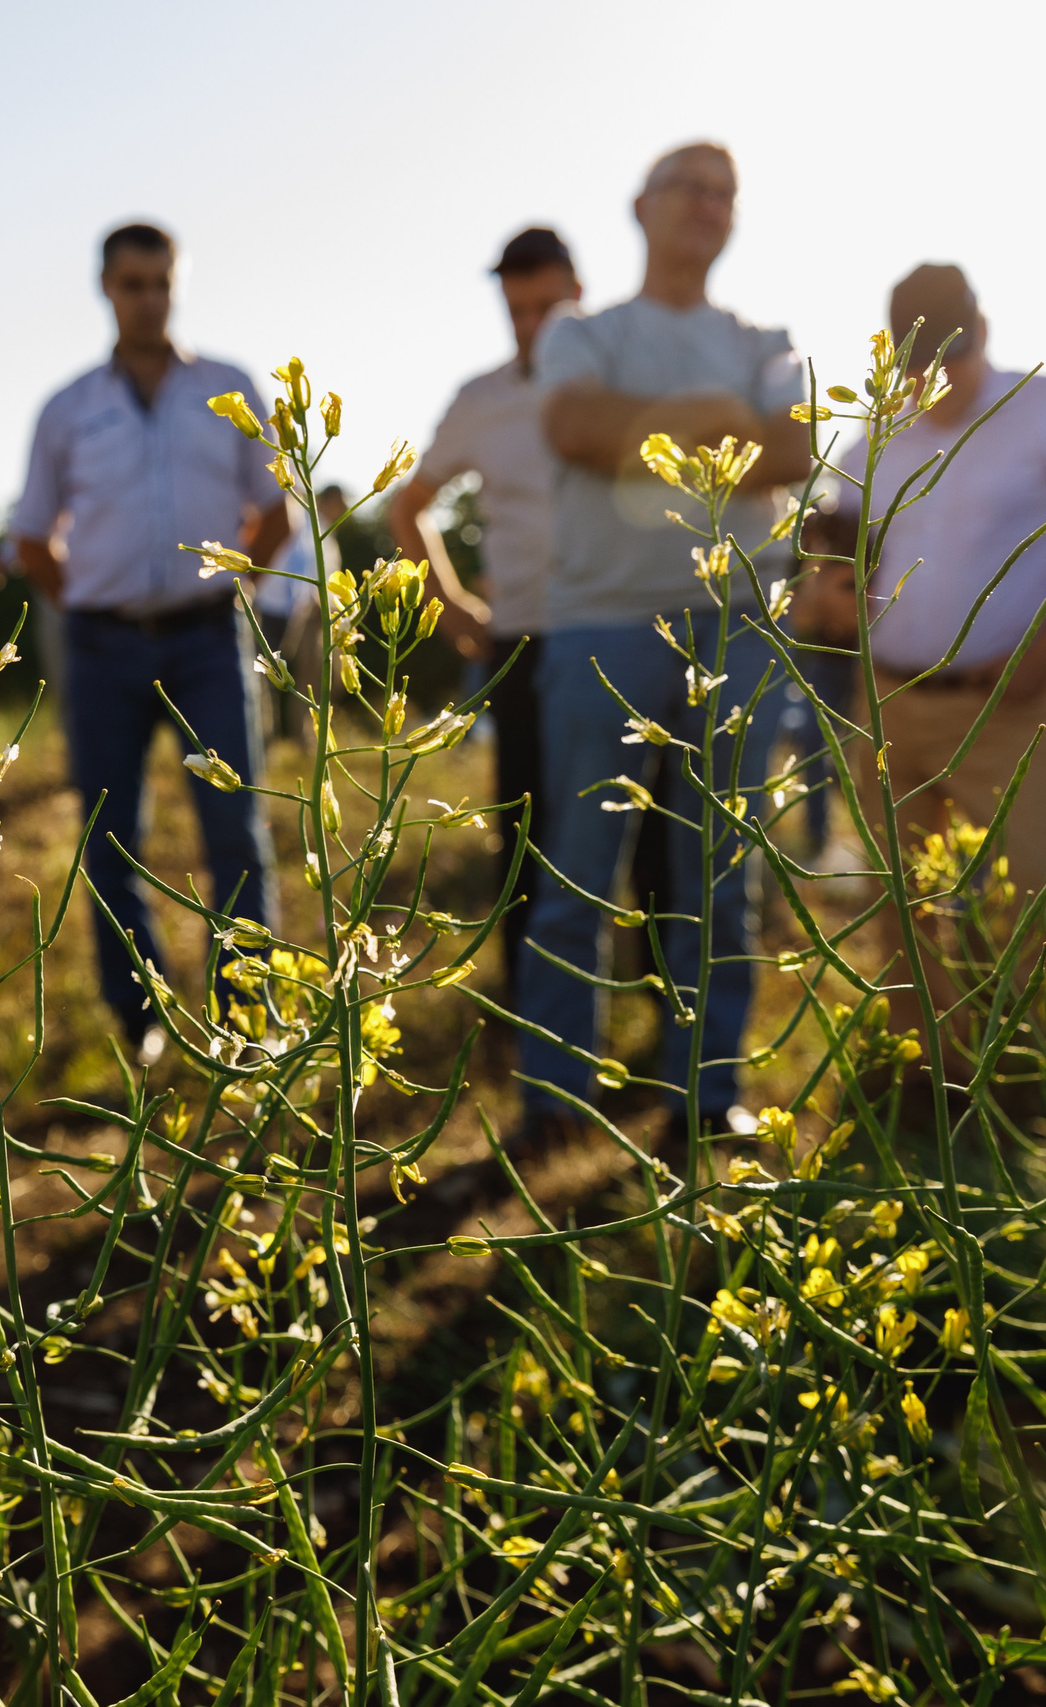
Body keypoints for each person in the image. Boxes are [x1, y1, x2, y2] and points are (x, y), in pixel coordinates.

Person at [519, 143, 810, 1146]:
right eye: (687, 184)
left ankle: (706, 1092)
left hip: (735, 625)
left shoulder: (767, 336)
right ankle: (552, 1103)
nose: (707, 203)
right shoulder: (580, 330)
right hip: (602, 624)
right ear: (638, 206)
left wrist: (648, 430)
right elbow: (573, 428)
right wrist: (724, 423)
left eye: (724, 191)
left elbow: (794, 444)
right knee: (578, 871)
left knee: (720, 876)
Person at [835, 263, 1046, 1020]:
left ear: (983, 337)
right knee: (899, 897)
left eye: (954, 356)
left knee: (1038, 886)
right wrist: (828, 595)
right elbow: (840, 547)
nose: (937, 378)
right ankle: (928, 1073)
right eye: (918, 365)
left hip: (1009, 702)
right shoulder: (872, 436)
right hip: (891, 702)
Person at [11, 221, 290, 1057]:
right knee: (109, 832)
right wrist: (90, 604)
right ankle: (140, 1017)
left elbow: (278, 505)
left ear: (179, 285)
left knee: (235, 828)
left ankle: (245, 1019)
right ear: (106, 288)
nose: (147, 298)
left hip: (209, 639)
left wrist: (239, 579)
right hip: (102, 647)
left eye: (161, 283)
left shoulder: (229, 388)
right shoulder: (67, 410)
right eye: (132, 283)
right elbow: (31, 535)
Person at [384, 226, 580, 975]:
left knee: (641, 823)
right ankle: (527, 1002)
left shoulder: (620, 383)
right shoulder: (482, 400)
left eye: (546, 306)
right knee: (525, 825)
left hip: (622, 630)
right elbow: (411, 507)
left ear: (578, 294)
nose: (531, 325)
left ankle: (655, 1014)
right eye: (517, 309)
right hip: (525, 641)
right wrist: (451, 602)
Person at [259, 483, 346, 739]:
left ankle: (303, 735)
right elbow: (300, 568)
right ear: (327, 501)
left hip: (310, 613)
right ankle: (276, 736)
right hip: (290, 611)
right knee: (275, 676)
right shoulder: (309, 525)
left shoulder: (326, 533)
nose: (342, 511)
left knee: (315, 678)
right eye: (339, 504)